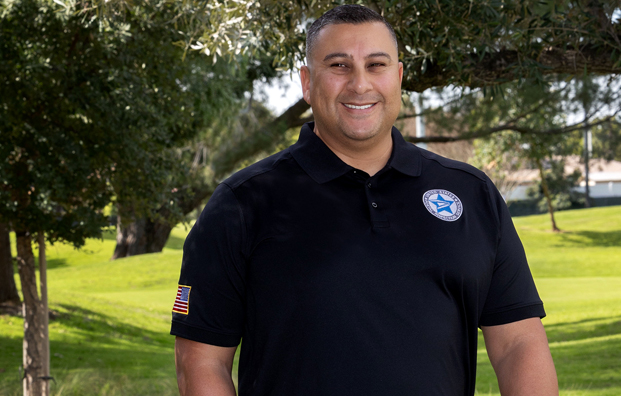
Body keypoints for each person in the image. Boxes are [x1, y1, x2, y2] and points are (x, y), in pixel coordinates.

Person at [171, 4, 558, 396]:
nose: (360, 84)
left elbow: (518, 344)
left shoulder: (471, 193)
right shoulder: (242, 203)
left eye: (376, 65)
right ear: (307, 82)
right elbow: (201, 363)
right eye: (339, 66)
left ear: (399, 77)